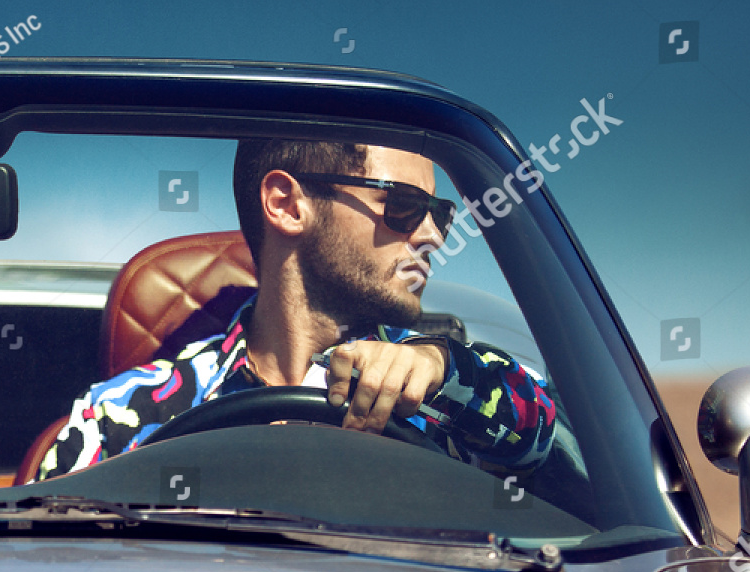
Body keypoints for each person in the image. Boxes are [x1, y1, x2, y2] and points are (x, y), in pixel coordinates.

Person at [31, 140, 555, 482]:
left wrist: (444, 368)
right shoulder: (124, 414)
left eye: (440, 214)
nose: (435, 235)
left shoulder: (441, 391)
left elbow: (555, 440)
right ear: (285, 203)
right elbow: (44, 558)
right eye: (403, 205)